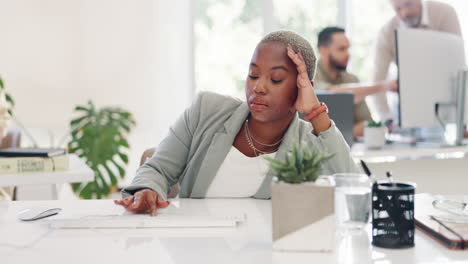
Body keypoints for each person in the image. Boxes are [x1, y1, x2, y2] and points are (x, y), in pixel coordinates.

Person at [115, 30, 358, 216]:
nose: (258, 87)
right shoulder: (206, 111)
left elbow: (352, 195)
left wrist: (316, 112)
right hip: (194, 252)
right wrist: (147, 190)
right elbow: (157, 169)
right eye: (253, 75)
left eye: (276, 79)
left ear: (302, 88)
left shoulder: (310, 143)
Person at [370, 0, 462, 123]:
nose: (405, 12)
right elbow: (377, 80)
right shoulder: (387, 32)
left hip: (444, 101)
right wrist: (387, 118)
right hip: (405, 103)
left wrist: (462, 115)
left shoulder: (444, 13)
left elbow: (457, 63)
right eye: (398, 9)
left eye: (408, 4)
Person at [315, 27, 397, 137]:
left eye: (348, 48)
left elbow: (367, 124)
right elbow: (333, 94)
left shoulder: (352, 80)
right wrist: (383, 86)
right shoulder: (309, 76)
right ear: (323, 51)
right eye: (341, 49)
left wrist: (338, 134)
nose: (348, 54)